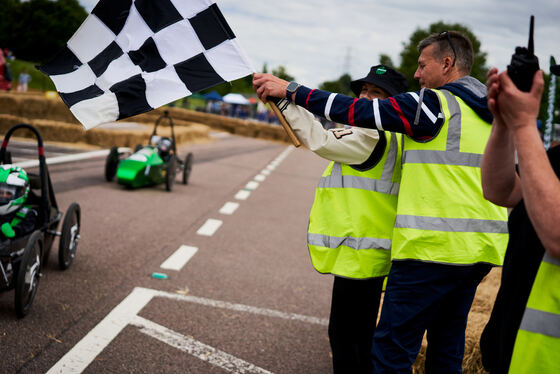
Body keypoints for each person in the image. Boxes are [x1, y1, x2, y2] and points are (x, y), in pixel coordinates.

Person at [254, 30, 509, 373]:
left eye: (422, 65)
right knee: (446, 348)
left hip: (430, 249)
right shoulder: (489, 111)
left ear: (446, 63)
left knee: (391, 352)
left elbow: (352, 112)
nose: (418, 74)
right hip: (480, 250)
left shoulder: (432, 106)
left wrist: (290, 91)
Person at [277, 65, 408, 373]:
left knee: (347, 339)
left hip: (360, 255)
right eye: (363, 91)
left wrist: (285, 100)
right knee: (358, 338)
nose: (365, 97)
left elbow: (320, 139)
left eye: (376, 93)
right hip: (370, 252)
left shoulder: (370, 136)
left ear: (392, 104)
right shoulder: (394, 137)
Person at [479, 66, 560, 374]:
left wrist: (525, 124)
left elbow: (556, 234)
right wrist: (503, 121)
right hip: (512, 348)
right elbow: (500, 189)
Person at [0, 165, 38, 240]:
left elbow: (24, 229)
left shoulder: (28, 214)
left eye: (8, 193)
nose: (3, 196)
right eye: (0, 192)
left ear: (20, 193)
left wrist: (13, 230)